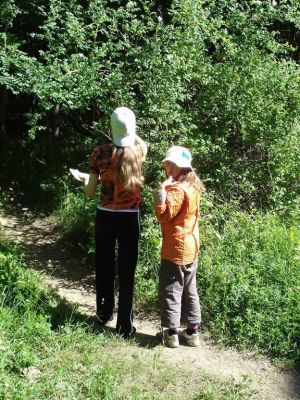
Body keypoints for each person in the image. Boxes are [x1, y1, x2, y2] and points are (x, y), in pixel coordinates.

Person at [72, 107, 147, 338]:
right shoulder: (139, 151)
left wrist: (84, 179)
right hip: (129, 217)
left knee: (104, 265)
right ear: (132, 130)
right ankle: (125, 325)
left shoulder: (99, 153)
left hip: (105, 215)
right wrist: (128, 131)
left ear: (110, 128)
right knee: (127, 270)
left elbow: (89, 192)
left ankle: (104, 314)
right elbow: (140, 142)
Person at [152, 145, 205, 348]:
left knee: (171, 289)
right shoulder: (193, 187)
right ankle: (192, 332)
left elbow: (164, 215)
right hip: (192, 246)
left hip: (175, 247)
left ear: (174, 166)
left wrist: (160, 191)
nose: (166, 169)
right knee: (190, 289)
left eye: (167, 165)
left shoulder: (176, 189)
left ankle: (171, 334)